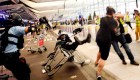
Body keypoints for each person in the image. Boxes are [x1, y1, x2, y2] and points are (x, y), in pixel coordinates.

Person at [2, 13, 36, 80]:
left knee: (19, 69)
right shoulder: (15, 29)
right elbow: (31, 29)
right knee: (25, 71)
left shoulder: (5, 30)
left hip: (5, 59)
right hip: (12, 59)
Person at [95, 6, 118, 80]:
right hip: (106, 40)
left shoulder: (102, 19)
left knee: (100, 50)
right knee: (103, 58)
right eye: (114, 13)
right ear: (112, 13)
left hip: (98, 38)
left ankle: (96, 61)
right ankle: (98, 73)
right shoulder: (114, 21)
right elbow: (115, 31)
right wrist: (116, 21)